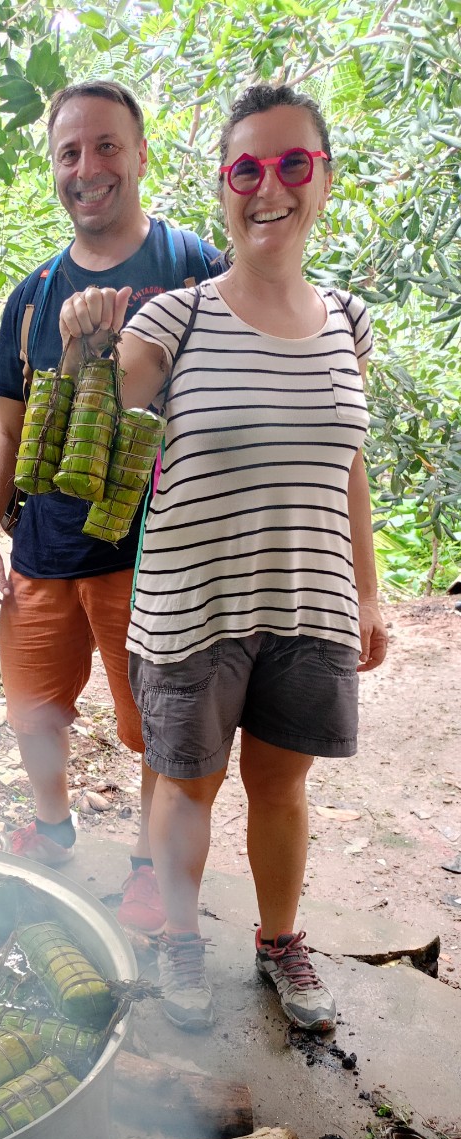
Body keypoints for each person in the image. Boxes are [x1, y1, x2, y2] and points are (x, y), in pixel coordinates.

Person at [58, 82, 387, 1032]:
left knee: (282, 790)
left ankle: (280, 944)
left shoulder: (348, 322)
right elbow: (101, 431)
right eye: (248, 167)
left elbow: (349, 465)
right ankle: (179, 940)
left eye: (294, 163)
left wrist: (368, 591)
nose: (269, 186)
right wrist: (85, 344)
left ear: (323, 179)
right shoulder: (174, 320)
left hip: (308, 601)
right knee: (189, 787)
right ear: (223, 186)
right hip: (192, 607)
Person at [0, 80, 225, 937]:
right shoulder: (35, 294)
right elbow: (5, 429)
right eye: (70, 152)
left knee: (153, 729)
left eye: (107, 146)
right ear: (55, 169)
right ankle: (52, 826)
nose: (89, 168)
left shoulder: (195, 269)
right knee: (34, 712)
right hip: (43, 547)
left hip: (152, 553)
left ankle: (150, 869)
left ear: (141, 155)